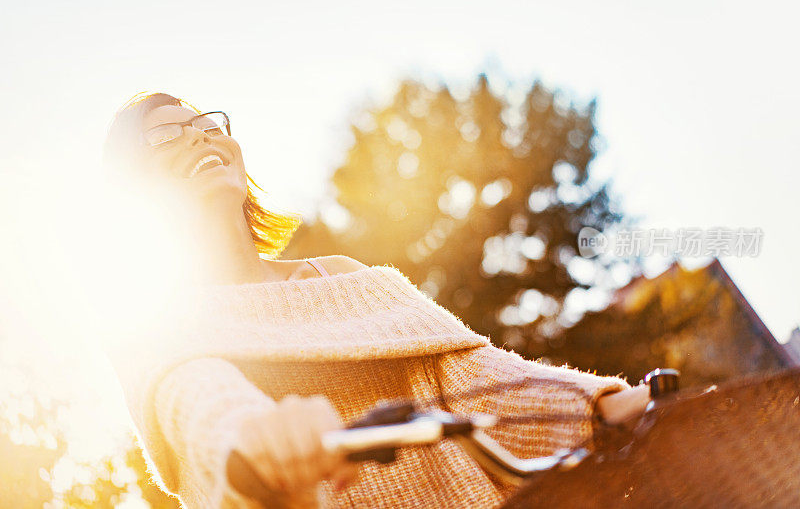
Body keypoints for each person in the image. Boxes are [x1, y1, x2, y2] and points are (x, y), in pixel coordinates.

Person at [100, 92, 651, 508]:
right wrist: (255, 440)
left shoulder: (338, 277)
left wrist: (598, 405)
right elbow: (199, 406)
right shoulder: (152, 328)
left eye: (204, 122)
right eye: (165, 135)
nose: (199, 136)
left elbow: (470, 377)